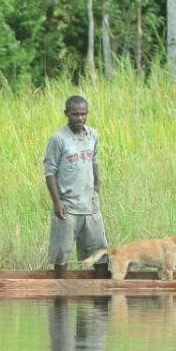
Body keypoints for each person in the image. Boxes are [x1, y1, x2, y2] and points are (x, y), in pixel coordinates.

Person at [44, 95, 108, 279]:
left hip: (90, 204)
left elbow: (94, 160)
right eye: (75, 114)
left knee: (100, 251)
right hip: (68, 205)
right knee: (62, 251)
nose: (79, 118)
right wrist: (57, 202)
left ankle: (102, 297)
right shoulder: (58, 139)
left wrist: (97, 184)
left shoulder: (92, 135)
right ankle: (60, 293)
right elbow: (50, 172)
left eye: (83, 114)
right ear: (66, 114)